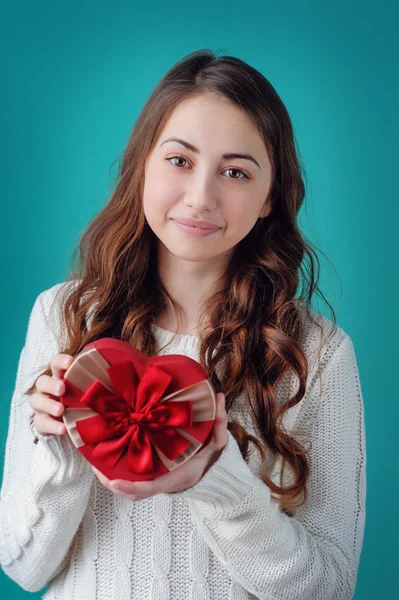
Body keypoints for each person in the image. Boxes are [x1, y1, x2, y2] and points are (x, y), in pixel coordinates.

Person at [0, 49, 366, 600]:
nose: (201, 197)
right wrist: (64, 450)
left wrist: (216, 480)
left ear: (270, 197)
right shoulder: (63, 315)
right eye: (180, 160)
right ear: (143, 162)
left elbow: (331, 589)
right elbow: (22, 568)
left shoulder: (317, 353)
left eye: (235, 171)